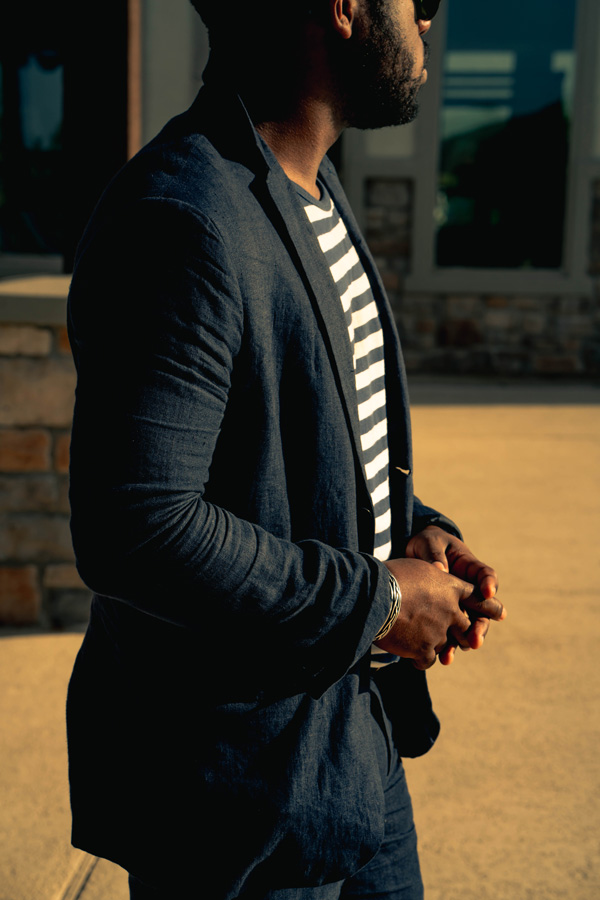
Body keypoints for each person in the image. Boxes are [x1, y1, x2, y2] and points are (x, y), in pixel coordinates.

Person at [66, 0, 506, 897]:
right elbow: (136, 527)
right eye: (415, 1)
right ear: (342, 8)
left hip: (354, 739)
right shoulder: (182, 215)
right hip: (239, 797)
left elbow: (310, 439)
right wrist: (379, 599)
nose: (431, 19)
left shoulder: (308, 189)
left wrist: (414, 532)